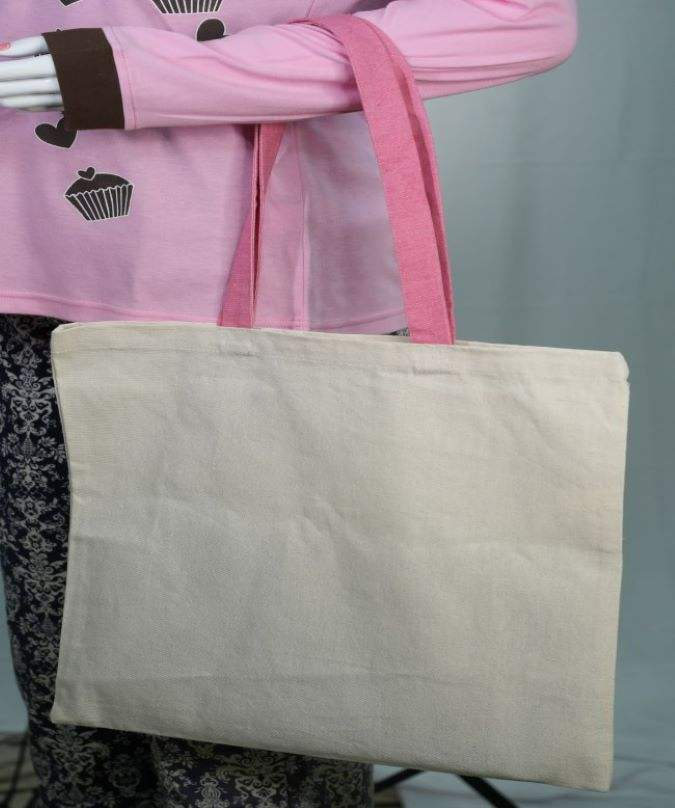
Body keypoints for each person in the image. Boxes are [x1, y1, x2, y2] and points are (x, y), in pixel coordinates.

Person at [0, 1, 578, 805]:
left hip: (275, 305)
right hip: (28, 286)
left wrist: (155, 72)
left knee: (257, 711)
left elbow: (523, 17)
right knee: (73, 699)